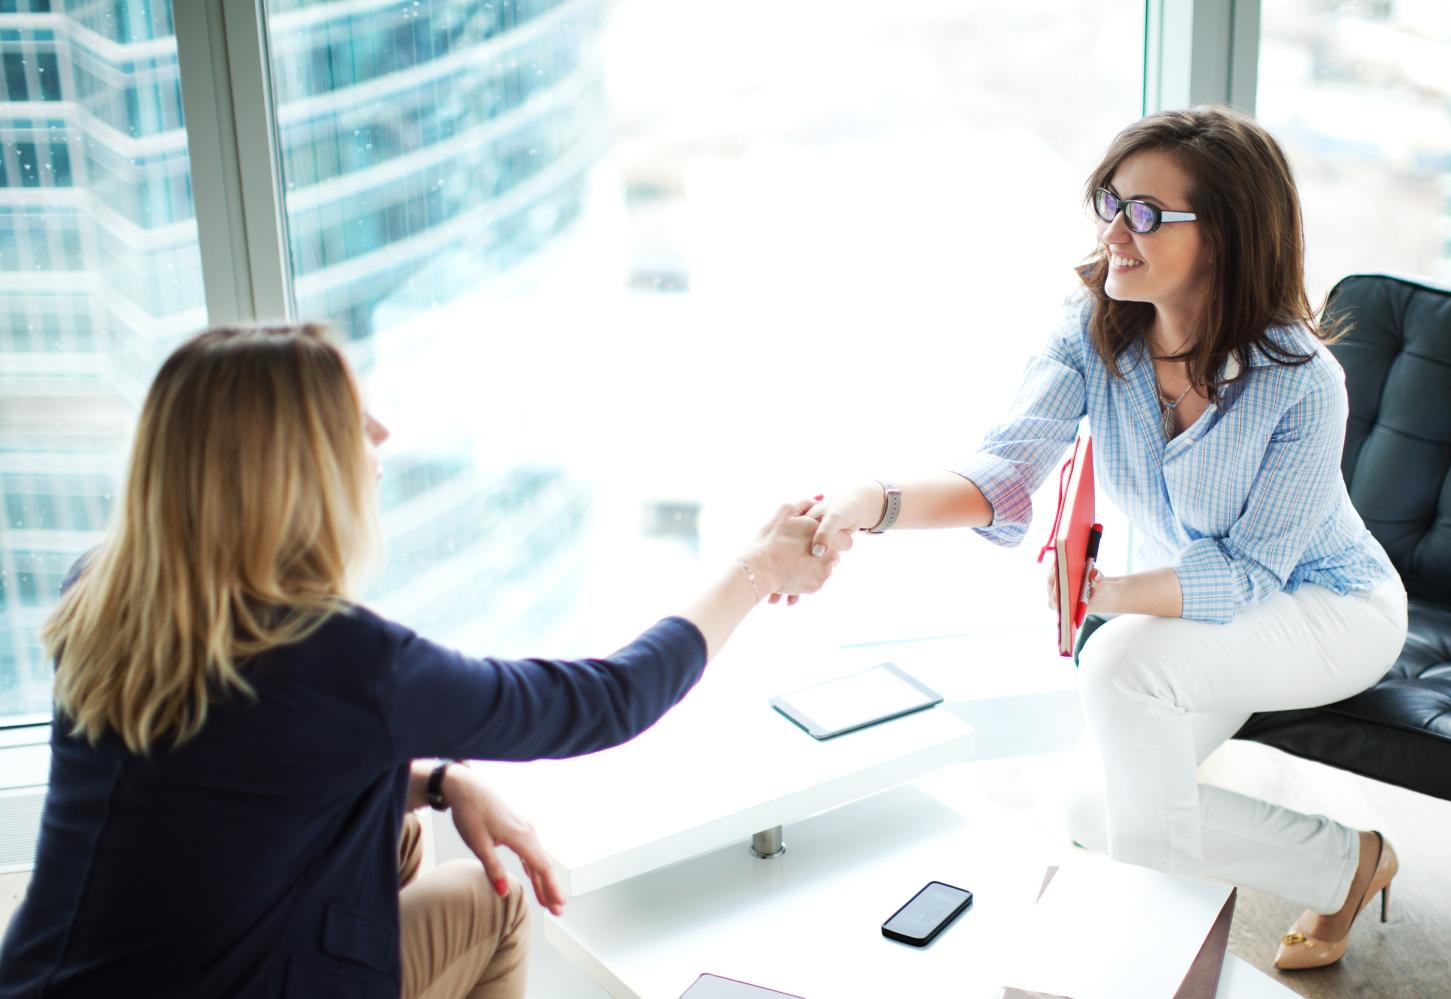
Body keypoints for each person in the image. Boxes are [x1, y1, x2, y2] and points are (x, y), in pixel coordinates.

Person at [0, 324, 850, 998]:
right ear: (293, 471)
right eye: (349, 413)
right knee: (497, 900)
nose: (382, 429)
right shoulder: (337, 658)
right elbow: (607, 699)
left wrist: (440, 781)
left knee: (397, 834)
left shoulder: (108, 591)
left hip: (55, 976)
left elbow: (233, 779)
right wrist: (756, 568)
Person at [799, 106, 1407, 971]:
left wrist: (1110, 595)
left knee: (1120, 662)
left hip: (1331, 608)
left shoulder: (1303, 383)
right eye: (1110, 202)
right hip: (1206, 610)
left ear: (1225, 235)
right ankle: (1347, 862)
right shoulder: (1090, 331)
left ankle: (1145, 966)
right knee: (1092, 805)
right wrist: (872, 500)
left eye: (1148, 214)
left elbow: (1248, 576)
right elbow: (999, 477)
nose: (1116, 232)